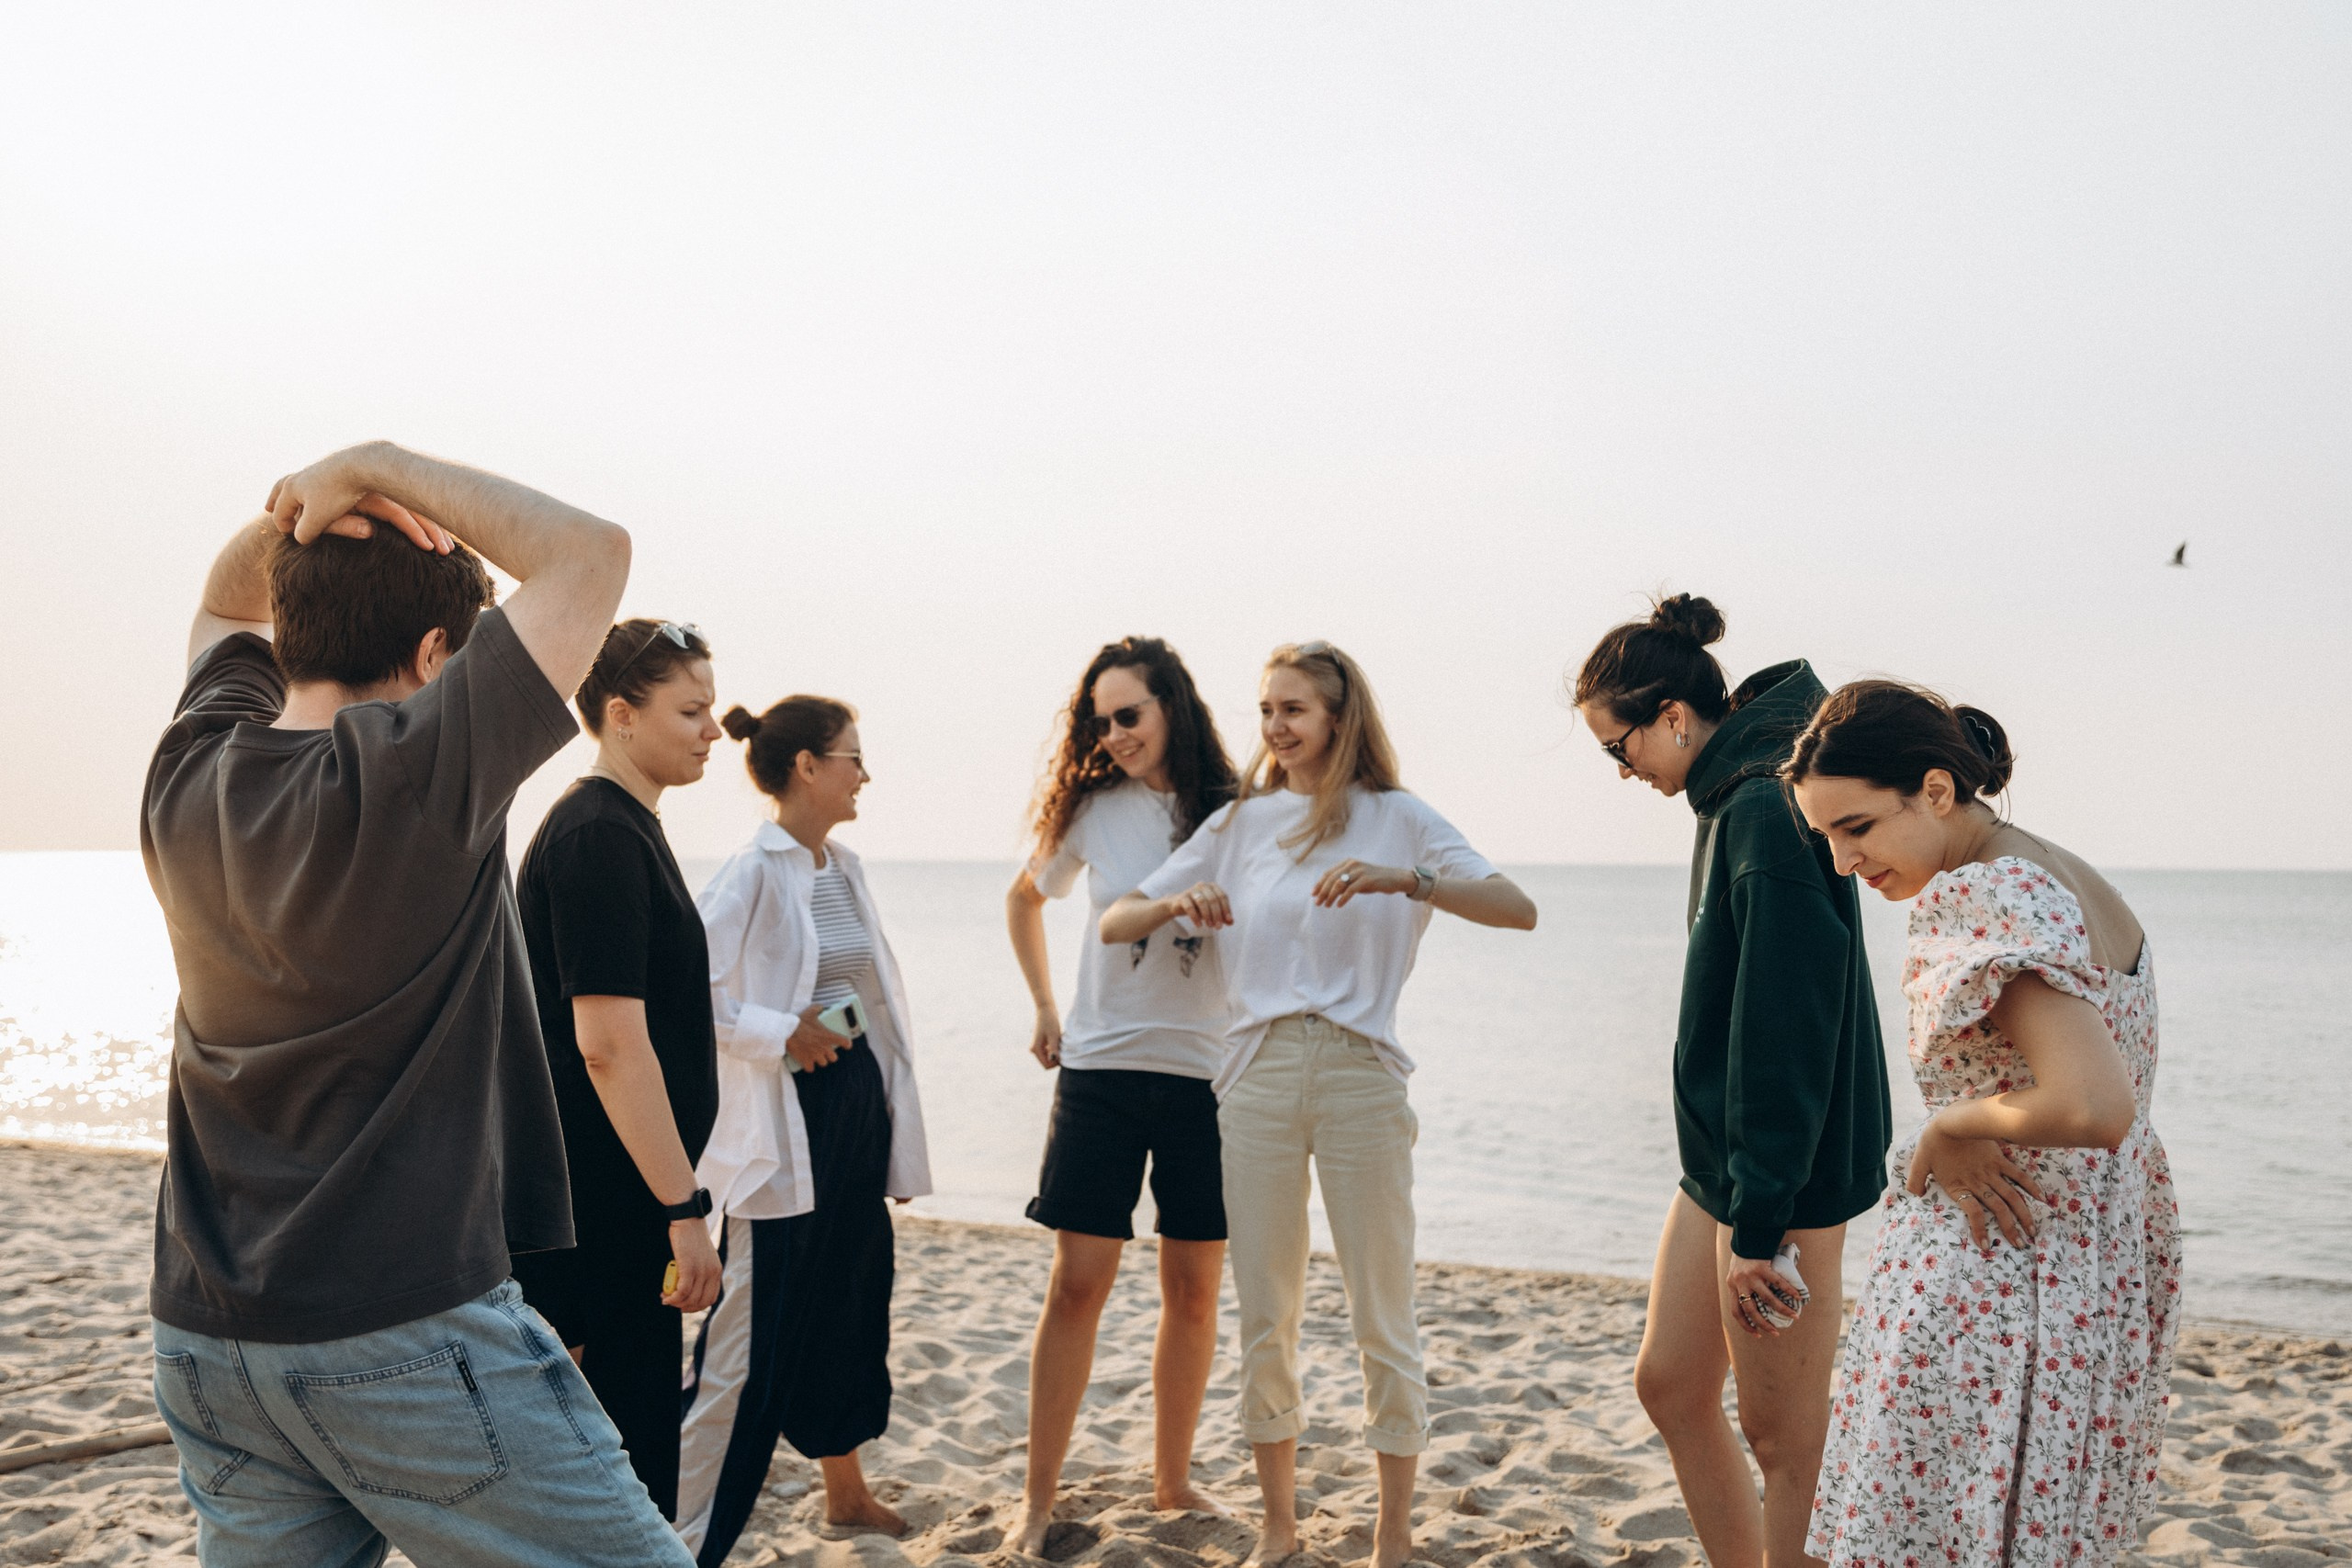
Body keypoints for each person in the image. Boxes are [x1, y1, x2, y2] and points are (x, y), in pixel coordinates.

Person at [141, 442, 695, 1566]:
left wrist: (305, 513)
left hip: (209, 1336)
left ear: (294, 633)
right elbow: (591, 554)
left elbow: (224, 603)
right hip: (397, 1326)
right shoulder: (416, 770)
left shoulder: (190, 767)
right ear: (439, 651)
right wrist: (375, 466)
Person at [1102, 639, 1537, 1568]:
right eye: (1266, 709)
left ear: (1339, 717)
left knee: (1383, 1309)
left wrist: (1407, 879)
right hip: (1255, 1075)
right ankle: (1279, 1526)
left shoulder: (1398, 818)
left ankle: (1392, 1534)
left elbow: (1516, 906)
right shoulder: (1241, 823)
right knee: (1268, 1312)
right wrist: (1179, 900)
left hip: (1360, 1073)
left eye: (1292, 709)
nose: (1274, 726)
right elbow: (1115, 919)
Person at [1787, 682, 2180, 1566]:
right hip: (2088, 1262)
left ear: (1935, 789)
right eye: (1826, 838)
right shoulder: (2060, 870)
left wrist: (1949, 1126)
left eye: (1857, 827)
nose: (1844, 861)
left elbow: (2094, 1103)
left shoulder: (1982, 892)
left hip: (1997, 1269)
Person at [1569, 593, 1890, 1568]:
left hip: (1784, 1173)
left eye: (1618, 747)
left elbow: (1784, 1031)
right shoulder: (1731, 797)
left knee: (1784, 1438)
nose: (1620, 770)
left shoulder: (1758, 809)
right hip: (1727, 1158)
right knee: (1670, 1384)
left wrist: (1760, 1222)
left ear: (1673, 716)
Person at [675, 695, 932, 1566]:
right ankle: (681, 1538)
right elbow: (688, 990)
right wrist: (781, 1031)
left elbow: (878, 1008)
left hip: (853, 1108)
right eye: (853, 757)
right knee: (749, 1337)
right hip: (788, 1116)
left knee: (851, 1301)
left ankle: (845, 1492)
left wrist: (895, 1142)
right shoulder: (752, 870)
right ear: (808, 767)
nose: (866, 774)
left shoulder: (842, 867)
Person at [1003, 637, 1241, 1554]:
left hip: (1208, 1078)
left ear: (1172, 704)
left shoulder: (1238, 811)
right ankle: (1037, 1500)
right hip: (1099, 1071)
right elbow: (1025, 898)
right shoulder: (1093, 809)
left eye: (1129, 715)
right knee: (1078, 1284)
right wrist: (1043, 1005)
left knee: (1194, 1293)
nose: (1114, 735)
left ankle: (1172, 1480)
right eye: (1100, 722)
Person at [510, 618, 726, 1518]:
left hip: (612, 1204)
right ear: (621, 714)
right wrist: (684, 1209)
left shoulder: (622, 825)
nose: (714, 728)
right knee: (610, 1482)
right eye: (692, 710)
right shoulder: (597, 835)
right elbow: (607, 1045)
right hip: (597, 1215)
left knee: (616, 1476)